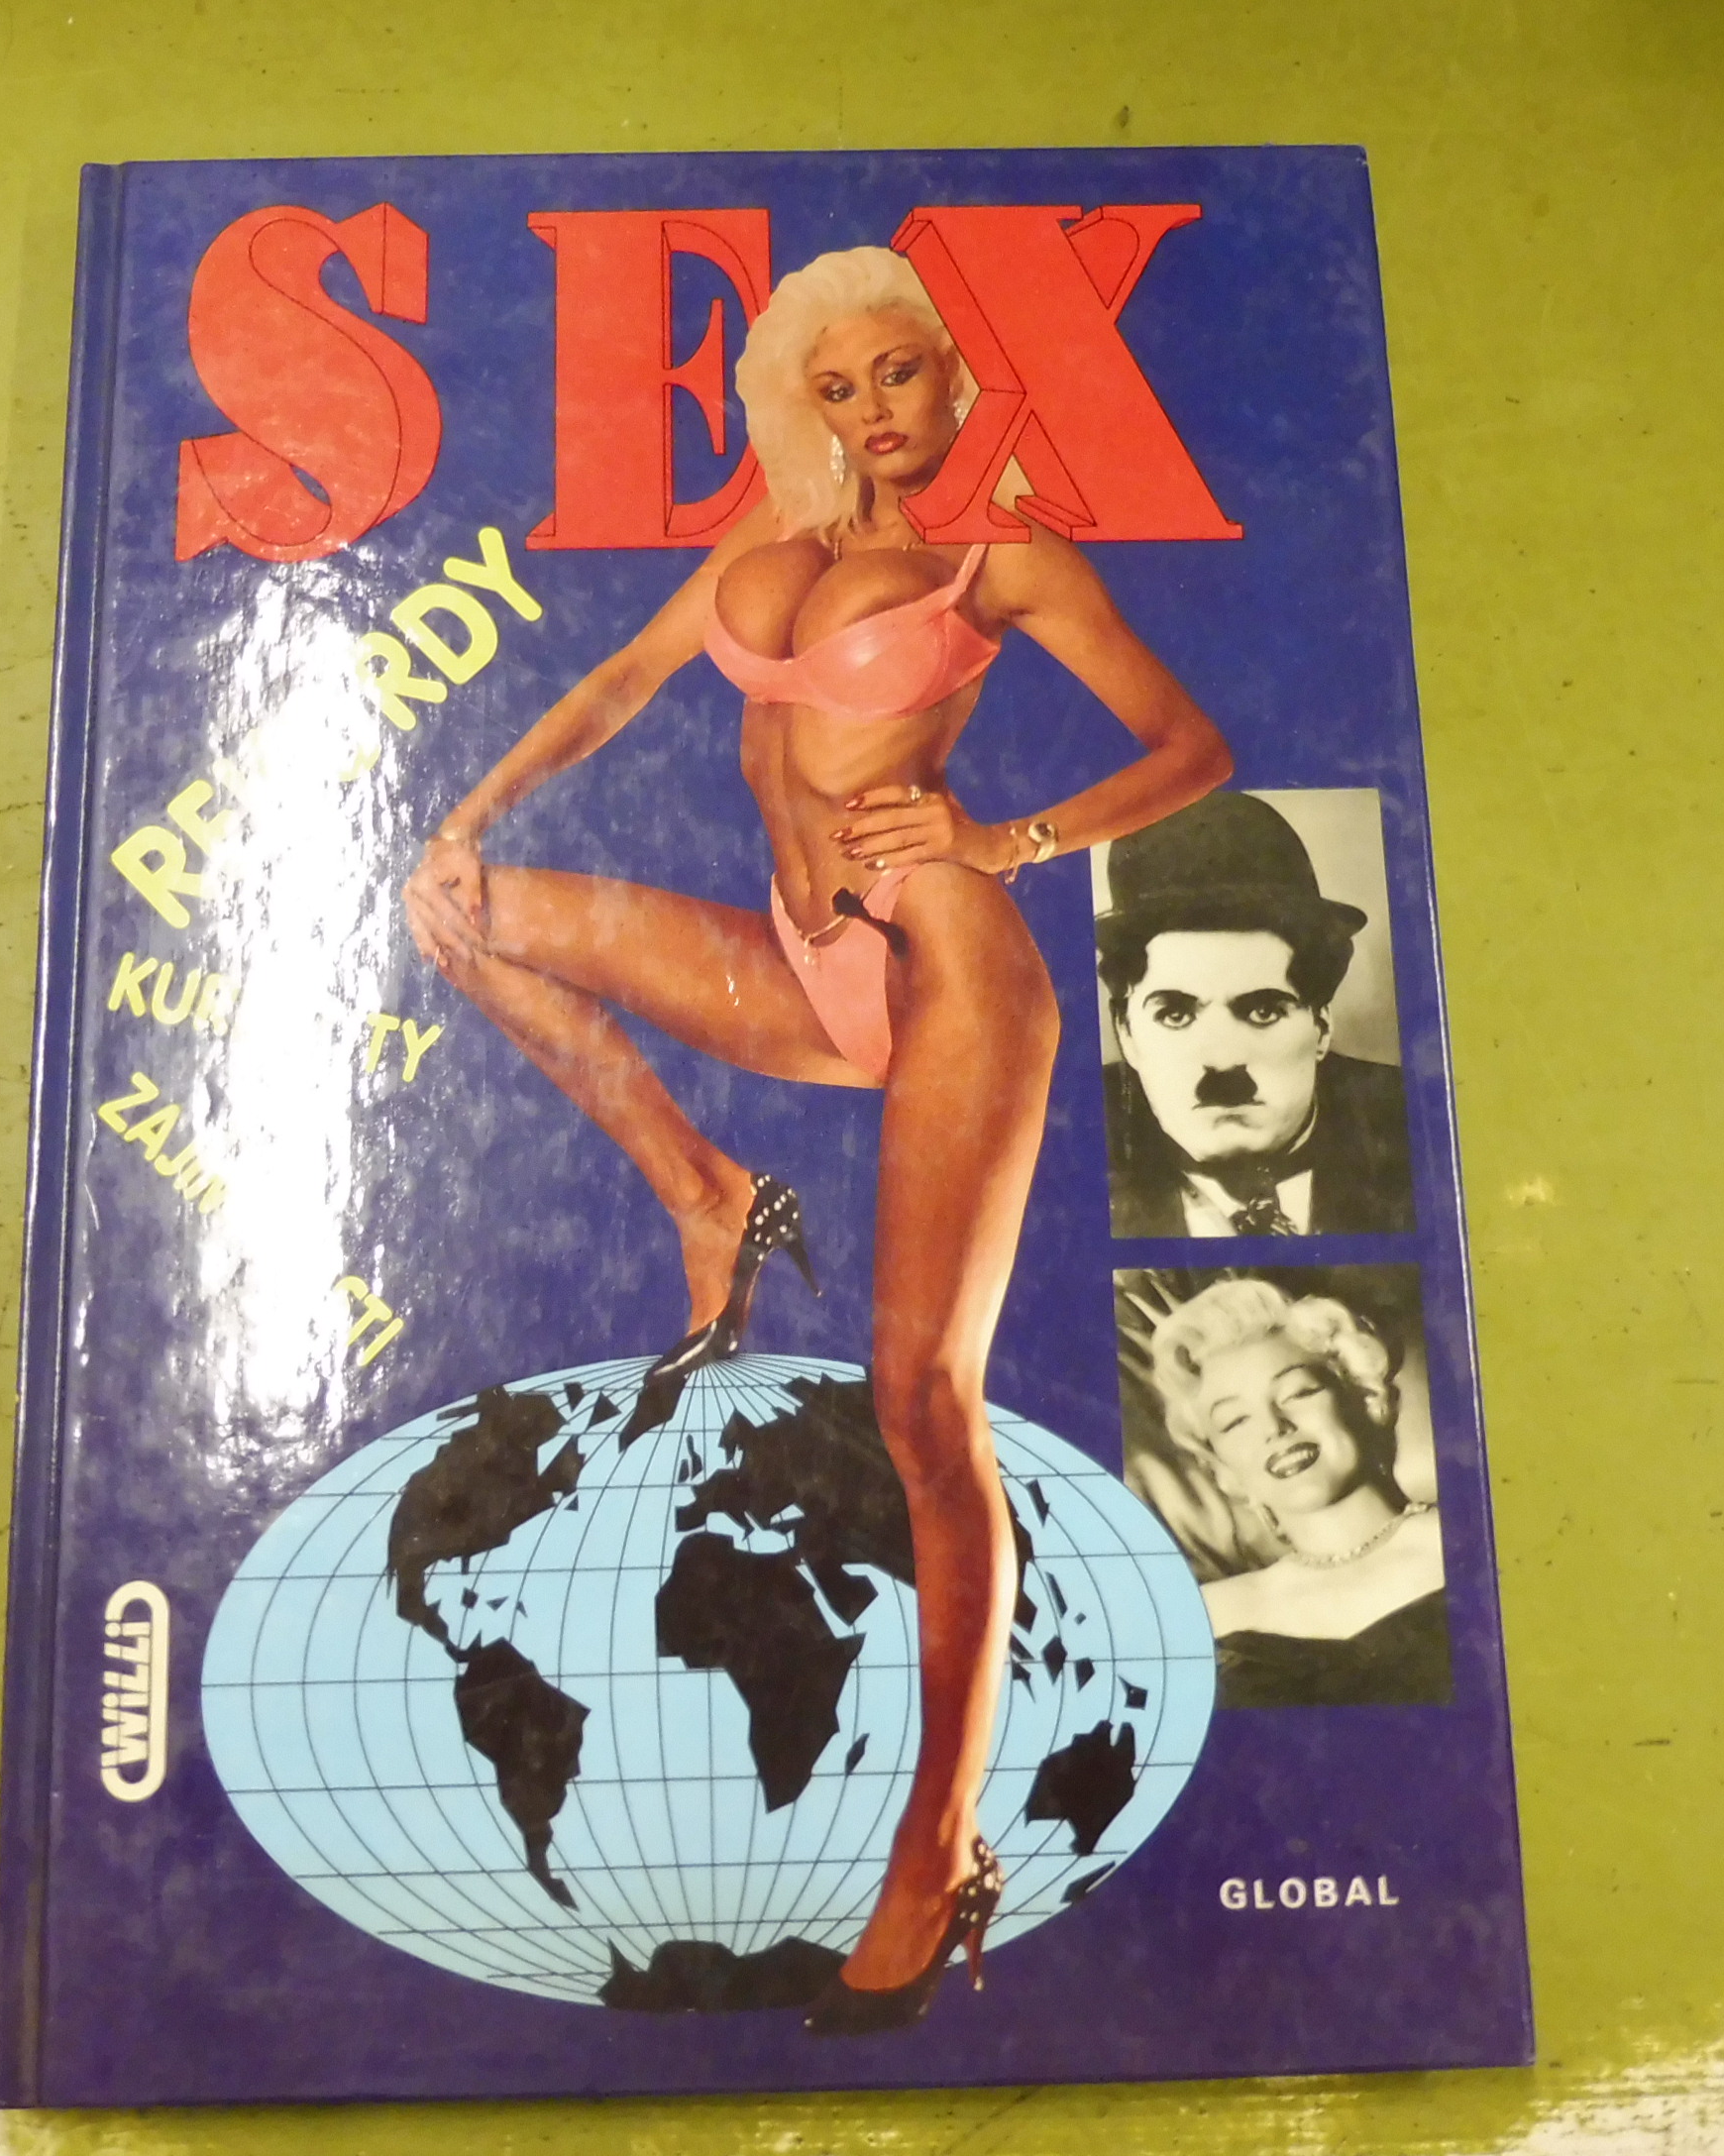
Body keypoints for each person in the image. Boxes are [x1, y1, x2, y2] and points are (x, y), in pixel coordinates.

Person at [402, 245, 1232, 2032]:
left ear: (952, 376)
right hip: (798, 961)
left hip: (947, 967)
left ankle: (934, 1846)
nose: (872, 411)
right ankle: (705, 1191)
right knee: (466, 919)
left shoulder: (997, 556)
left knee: (920, 1404)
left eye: (898, 375)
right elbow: (617, 687)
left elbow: (1189, 747)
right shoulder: (760, 547)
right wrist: (465, 816)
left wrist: (1004, 841)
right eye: (836, 385)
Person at [1095, 790, 1414, 1238]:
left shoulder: (1415, 1131)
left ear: (1322, 1024)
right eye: (1175, 1015)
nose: (1224, 1061)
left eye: (1263, 1011)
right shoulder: (1068, 1147)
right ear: (1126, 1032)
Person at [1145, 1277, 1450, 1707]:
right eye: (1235, 1421)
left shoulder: (1469, 1544)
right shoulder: (1196, 1618)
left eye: (1298, 1393)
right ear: (1222, 1468)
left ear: (1365, 1398)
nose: (1274, 1428)